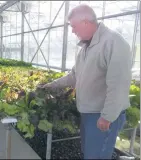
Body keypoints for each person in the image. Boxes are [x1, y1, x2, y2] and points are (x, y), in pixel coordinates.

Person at [37, 4, 133, 159]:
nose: (73, 31)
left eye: (74, 26)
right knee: (89, 153)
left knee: (97, 155)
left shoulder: (113, 42)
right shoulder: (86, 48)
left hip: (101, 115)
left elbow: (119, 83)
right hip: (88, 113)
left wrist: (107, 116)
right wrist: (51, 85)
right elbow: (74, 76)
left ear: (85, 22)